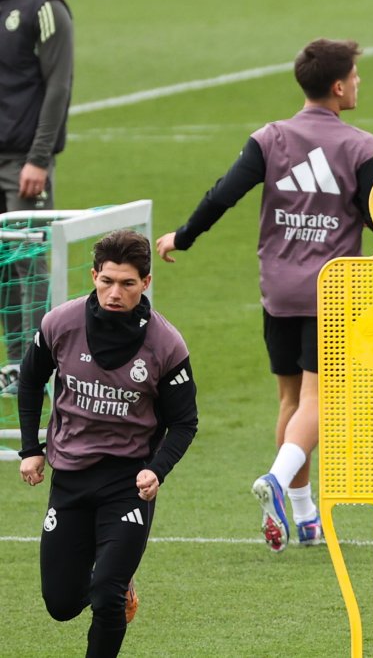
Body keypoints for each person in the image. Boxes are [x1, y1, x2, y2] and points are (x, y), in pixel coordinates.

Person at [155, 38, 373, 553]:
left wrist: (184, 235)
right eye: (355, 76)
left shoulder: (269, 138)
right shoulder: (360, 145)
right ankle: (277, 481)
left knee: (290, 399)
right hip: (331, 292)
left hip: (278, 290)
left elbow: (224, 193)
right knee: (321, 401)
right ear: (337, 86)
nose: (358, 83)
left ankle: (307, 518)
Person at [17, 230, 199, 658]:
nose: (114, 293)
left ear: (146, 283)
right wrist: (30, 449)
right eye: (107, 281)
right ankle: (117, 583)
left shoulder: (166, 345)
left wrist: (158, 469)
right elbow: (29, 380)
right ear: (94, 276)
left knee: (106, 593)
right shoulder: (60, 323)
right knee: (61, 605)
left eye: (127, 284)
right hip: (70, 480)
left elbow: (185, 423)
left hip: (128, 484)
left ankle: (118, 586)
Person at [0, 0, 73, 372]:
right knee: (1, 263)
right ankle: (14, 365)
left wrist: (39, 158)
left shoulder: (43, 7)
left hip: (23, 162)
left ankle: (38, 364)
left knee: (30, 261)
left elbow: (58, 85)